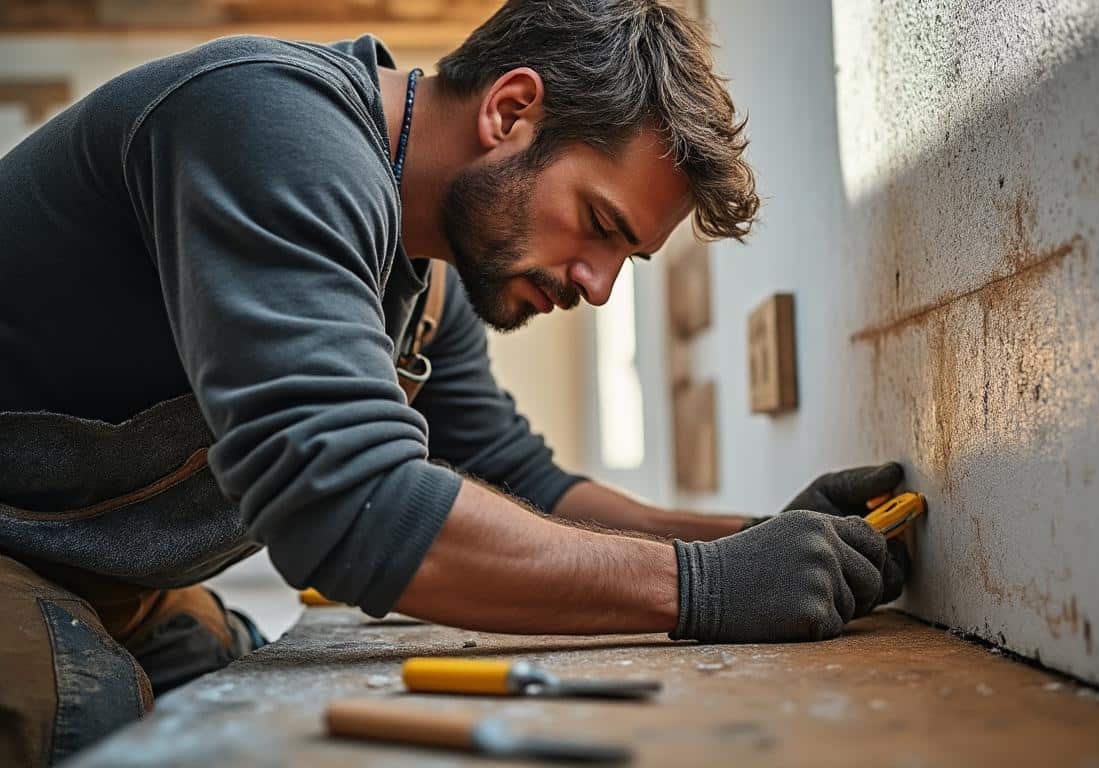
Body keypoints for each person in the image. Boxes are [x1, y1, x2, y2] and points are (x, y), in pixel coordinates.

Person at [0, 1, 909, 764]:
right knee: (81, 705)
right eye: (598, 224)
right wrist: (704, 586)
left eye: (625, 258)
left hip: (76, 561)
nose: (596, 285)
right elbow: (349, 508)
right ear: (511, 110)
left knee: (219, 677)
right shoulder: (273, 126)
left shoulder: (427, 274)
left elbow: (526, 485)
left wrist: (762, 538)